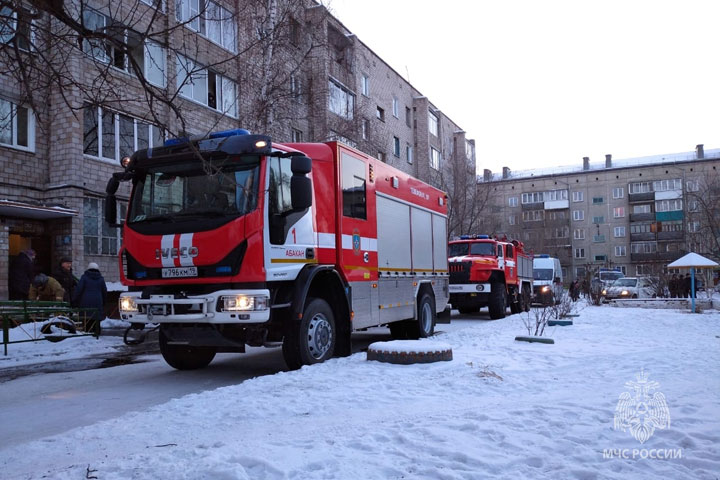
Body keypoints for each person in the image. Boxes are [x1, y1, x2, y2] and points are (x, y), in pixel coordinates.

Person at [72, 262, 107, 333]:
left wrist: (74, 300)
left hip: (85, 301)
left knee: (86, 319)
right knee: (96, 319)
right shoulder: (101, 279)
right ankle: (97, 334)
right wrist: (104, 302)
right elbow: (104, 291)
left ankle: (87, 334)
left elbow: (78, 290)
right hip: (98, 301)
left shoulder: (84, 277)